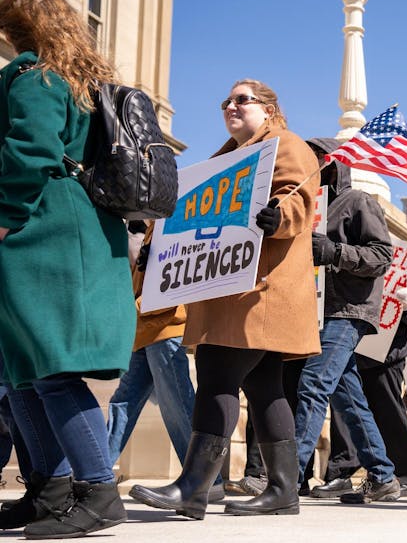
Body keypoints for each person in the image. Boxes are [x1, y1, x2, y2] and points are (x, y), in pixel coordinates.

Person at [130, 78, 321, 518]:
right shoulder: (226, 160)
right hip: (235, 287)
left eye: (242, 100)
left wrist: (279, 217)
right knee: (264, 387)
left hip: (259, 288)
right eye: (226, 101)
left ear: (269, 109)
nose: (231, 106)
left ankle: (195, 487)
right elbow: (189, 211)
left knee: (217, 372)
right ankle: (282, 491)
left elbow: (299, 199)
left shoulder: (286, 144)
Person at [0, 0, 134, 537]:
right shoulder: (77, 80)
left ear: (16, 25)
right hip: (65, 224)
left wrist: (5, 215)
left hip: (44, 227)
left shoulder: (36, 78)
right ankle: (50, 491)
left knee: (49, 367)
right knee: (23, 371)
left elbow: (28, 150)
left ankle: (99, 491)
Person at [291, 140, 398, 505]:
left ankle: (285, 479)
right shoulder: (308, 206)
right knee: (347, 397)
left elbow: (382, 255)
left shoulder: (358, 202)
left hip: (348, 310)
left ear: (331, 163)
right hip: (318, 309)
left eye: (312, 159)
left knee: (313, 384)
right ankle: (383, 477)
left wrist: (334, 252)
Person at [106, 224, 224, 502]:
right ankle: (94, 475)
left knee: (178, 406)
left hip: (165, 328)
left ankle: (207, 480)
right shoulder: (152, 228)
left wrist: (132, 309)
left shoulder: (171, 225)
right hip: (146, 329)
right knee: (123, 403)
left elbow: (177, 279)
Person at [355, 287, 407, 495]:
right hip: (360, 353)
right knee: (366, 417)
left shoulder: (400, 275)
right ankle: (375, 475)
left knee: (390, 414)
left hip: (388, 356)